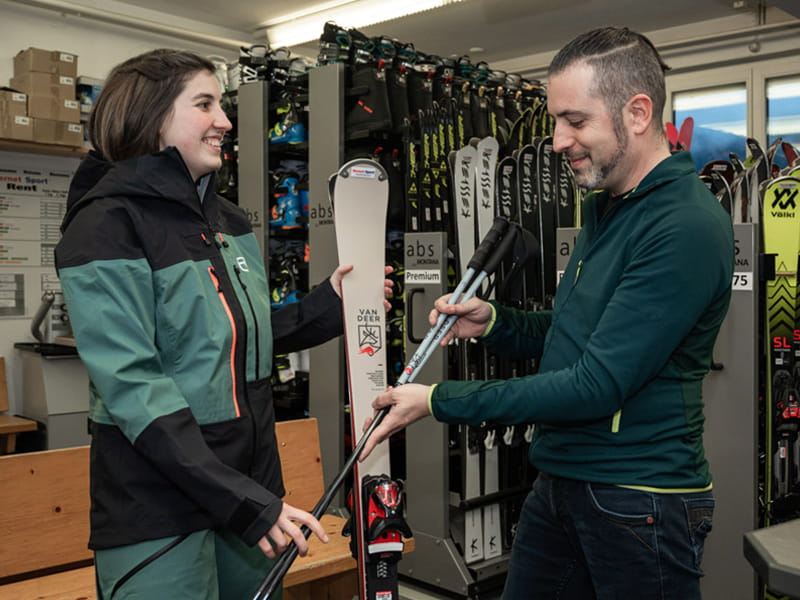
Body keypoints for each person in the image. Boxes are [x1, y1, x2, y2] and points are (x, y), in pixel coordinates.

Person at [362, 27, 734, 599]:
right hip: (562, 479)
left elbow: (596, 385)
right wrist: (496, 322)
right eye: (555, 120)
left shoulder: (682, 225)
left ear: (637, 113)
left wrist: (438, 401)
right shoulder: (607, 207)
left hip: (638, 500)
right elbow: (572, 332)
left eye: (575, 120)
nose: (558, 140)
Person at [54, 49, 391, 600]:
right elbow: (133, 387)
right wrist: (245, 502)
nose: (226, 121)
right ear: (152, 115)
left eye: (222, 104)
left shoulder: (227, 220)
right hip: (159, 507)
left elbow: (233, 338)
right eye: (205, 104)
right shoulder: (105, 224)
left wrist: (329, 304)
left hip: (249, 494)